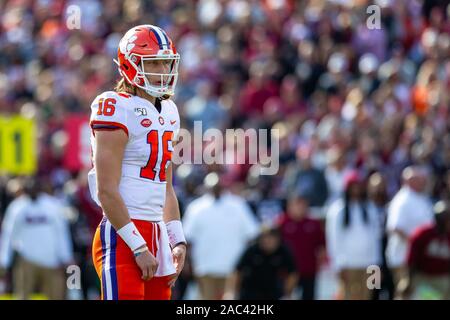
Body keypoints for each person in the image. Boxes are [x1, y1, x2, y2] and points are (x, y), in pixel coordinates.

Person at [88, 25, 187, 300]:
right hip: (123, 234)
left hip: (157, 233)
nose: (162, 70)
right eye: (153, 62)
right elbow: (106, 189)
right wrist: (138, 247)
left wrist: (176, 239)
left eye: (165, 63)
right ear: (129, 65)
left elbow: (166, 185)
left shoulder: (169, 110)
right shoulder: (114, 106)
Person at [183, 172, 260, 300]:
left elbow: (252, 235)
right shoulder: (196, 208)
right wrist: (188, 263)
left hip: (233, 268)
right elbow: (187, 238)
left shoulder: (238, 205)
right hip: (205, 268)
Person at [0, 177, 73, 300]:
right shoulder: (17, 207)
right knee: (22, 295)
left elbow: (61, 233)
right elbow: (8, 234)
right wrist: (4, 261)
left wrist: (66, 257)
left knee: (56, 295)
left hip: (51, 261)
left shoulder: (52, 205)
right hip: (26, 260)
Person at [326, 170, 382, 300]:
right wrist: (337, 265)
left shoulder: (370, 208)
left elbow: (375, 238)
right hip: (347, 264)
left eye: (358, 186)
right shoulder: (337, 209)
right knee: (347, 296)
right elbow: (333, 239)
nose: (356, 190)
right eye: (353, 186)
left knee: (367, 296)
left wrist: (377, 264)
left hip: (368, 264)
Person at [386, 166, 434, 299]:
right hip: (404, 258)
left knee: (420, 294)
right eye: (419, 179)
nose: (423, 181)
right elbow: (395, 227)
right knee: (405, 293)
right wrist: (416, 244)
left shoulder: (421, 198)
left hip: (419, 259)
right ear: (409, 181)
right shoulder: (402, 200)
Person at [224, 226, 298, 300]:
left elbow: (293, 273)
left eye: (272, 238)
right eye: (265, 238)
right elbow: (237, 272)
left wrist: (287, 294)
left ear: (278, 239)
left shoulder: (283, 251)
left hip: (274, 293)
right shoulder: (252, 250)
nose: (268, 241)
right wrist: (231, 292)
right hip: (249, 292)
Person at [279, 193, 326, 300]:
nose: (299, 207)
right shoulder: (282, 223)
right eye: (296, 204)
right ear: (289, 206)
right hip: (288, 272)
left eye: (302, 204)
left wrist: (320, 264)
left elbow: (322, 246)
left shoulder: (314, 223)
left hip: (309, 270)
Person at [400, 200, 450, 300]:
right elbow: (412, 261)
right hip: (425, 279)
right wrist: (408, 280)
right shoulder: (423, 234)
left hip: (444, 280)